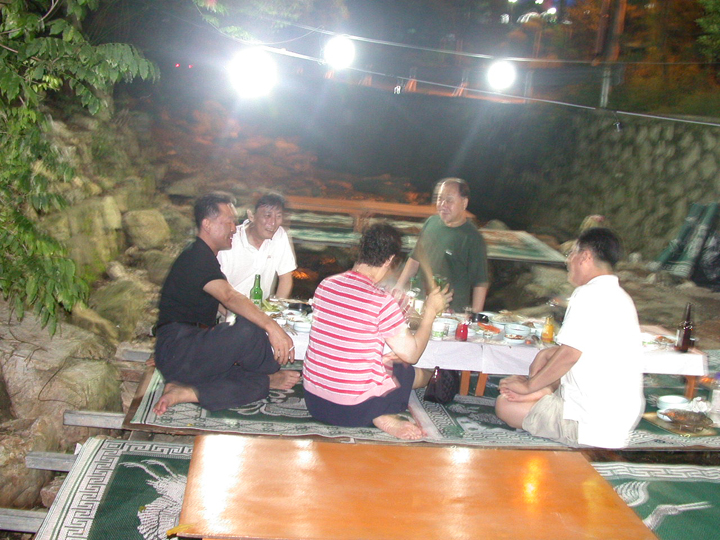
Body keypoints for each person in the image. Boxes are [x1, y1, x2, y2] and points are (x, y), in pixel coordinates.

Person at [495, 227, 644, 449]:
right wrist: (543, 365)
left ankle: (539, 394)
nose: (568, 261)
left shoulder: (588, 294)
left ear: (585, 257)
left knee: (504, 405)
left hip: (591, 424)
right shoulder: (621, 296)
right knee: (549, 355)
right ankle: (543, 393)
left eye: (571, 254)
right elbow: (585, 351)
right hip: (621, 416)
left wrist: (528, 387)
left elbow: (570, 355)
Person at [152, 192, 300, 415]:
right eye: (229, 221)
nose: (234, 228)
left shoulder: (205, 256)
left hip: (188, 353)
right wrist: (272, 327)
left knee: (258, 383)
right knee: (249, 329)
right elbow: (229, 297)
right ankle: (270, 368)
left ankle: (186, 392)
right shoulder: (196, 258)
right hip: (180, 350)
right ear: (207, 224)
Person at [302, 223, 452, 440]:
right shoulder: (380, 300)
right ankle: (388, 410)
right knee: (403, 369)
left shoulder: (326, 285)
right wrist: (430, 311)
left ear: (361, 251)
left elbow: (348, 335)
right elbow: (412, 354)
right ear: (389, 260)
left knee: (386, 359)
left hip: (315, 403)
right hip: (355, 411)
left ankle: (425, 380)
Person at [396, 177, 489, 313]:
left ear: (464, 203)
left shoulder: (472, 238)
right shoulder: (431, 223)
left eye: (449, 200)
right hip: (419, 306)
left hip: (449, 313)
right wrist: (398, 287)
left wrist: (475, 316)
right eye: (440, 199)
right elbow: (415, 259)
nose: (443, 204)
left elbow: (480, 283)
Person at [217, 192, 296, 300]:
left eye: (278, 216)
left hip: (261, 308)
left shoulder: (279, 235)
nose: (273, 223)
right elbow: (219, 289)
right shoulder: (230, 240)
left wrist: (277, 306)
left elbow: (285, 278)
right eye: (267, 216)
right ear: (251, 216)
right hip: (230, 306)